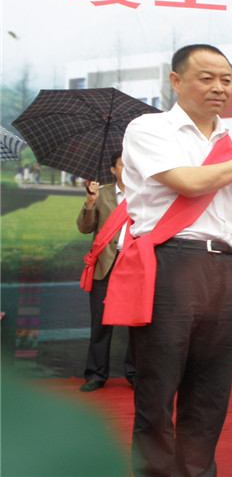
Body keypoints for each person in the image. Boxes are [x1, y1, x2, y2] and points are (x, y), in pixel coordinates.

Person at [120, 44, 232, 477]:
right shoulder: (149, 129)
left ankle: (197, 471)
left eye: (226, 80)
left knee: (211, 389)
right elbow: (188, 183)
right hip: (171, 264)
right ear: (176, 81)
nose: (219, 88)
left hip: (224, 270)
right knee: (157, 387)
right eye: (206, 78)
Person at [76, 155, 135, 392]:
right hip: (106, 265)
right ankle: (96, 375)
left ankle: (135, 374)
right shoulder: (101, 194)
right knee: (100, 323)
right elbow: (84, 228)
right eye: (122, 164)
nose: (127, 168)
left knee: (137, 323)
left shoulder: (146, 194)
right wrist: (90, 203)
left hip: (135, 265)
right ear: (112, 169)